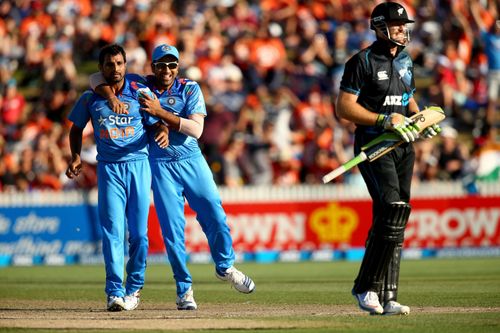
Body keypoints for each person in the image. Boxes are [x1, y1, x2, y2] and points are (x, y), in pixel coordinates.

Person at [89, 44, 255, 310]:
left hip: (192, 160)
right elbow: (96, 78)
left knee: (215, 214)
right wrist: (110, 96)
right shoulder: (139, 84)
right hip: (159, 164)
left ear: (178, 67)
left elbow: (196, 130)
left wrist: (160, 113)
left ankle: (225, 267)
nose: (166, 70)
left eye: (172, 65)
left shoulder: (189, 88)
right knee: (172, 232)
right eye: (161, 65)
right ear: (152, 67)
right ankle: (184, 290)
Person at [336, 2, 440, 315]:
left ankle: (388, 295)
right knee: (392, 209)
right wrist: (384, 119)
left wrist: (420, 120)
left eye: (404, 25)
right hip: (374, 144)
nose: (402, 30)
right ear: (380, 27)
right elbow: (344, 108)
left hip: (403, 145)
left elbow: (407, 99)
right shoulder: (362, 61)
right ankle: (365, 287)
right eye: (396, 25)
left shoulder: (407, 59)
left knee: (397, 214)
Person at [66, 44, 168, 312]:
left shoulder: (138, 92)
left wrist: (162, 130)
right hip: (109, 169)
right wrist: (76, 156)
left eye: (119, 63)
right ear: (101, 69)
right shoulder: (90, 99)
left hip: (138, 166)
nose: (115, 69)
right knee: (112, 233)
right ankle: (114, 292)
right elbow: (76, 130)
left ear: (126, 65)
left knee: (140, 236)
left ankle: (134, 288)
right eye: (109, 64)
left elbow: (155, 120)